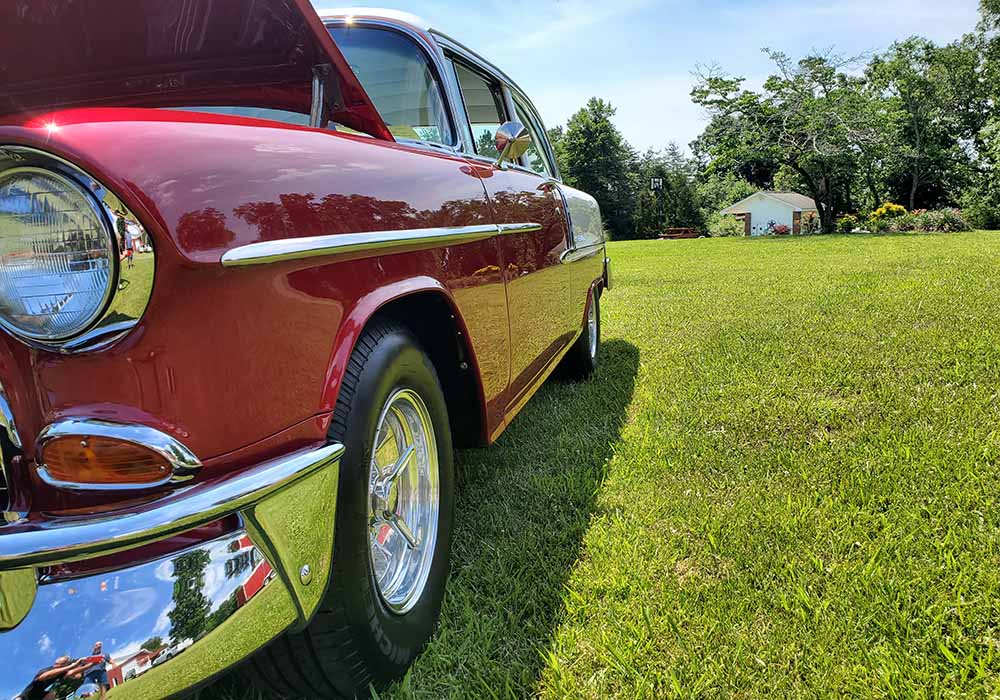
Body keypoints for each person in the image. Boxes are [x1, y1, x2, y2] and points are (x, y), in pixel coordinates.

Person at [14, 656, 91, 700]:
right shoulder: (46, 670)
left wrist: (89, 665)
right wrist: (71, 666)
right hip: (24, 697)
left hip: (39, 696)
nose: (56, 666)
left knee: (51, 695)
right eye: (56, 664)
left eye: (60, 665)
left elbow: (71, 673)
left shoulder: (61, 672)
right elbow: (45, 676)